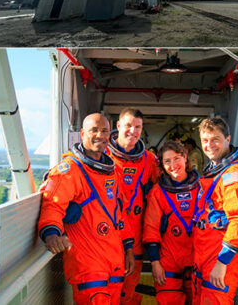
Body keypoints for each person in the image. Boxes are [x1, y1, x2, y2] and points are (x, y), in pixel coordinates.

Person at [38, 113, 136, 304]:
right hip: (88, 264)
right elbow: (53, 205)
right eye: (94, 130)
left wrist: (129, 249)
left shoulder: (113, 171)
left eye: (104, 131)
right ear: (82, 133)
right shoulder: (70, 170)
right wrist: (50, 234)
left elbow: (119, 214)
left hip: (115, 261)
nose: (100, 135)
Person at [192, 117, 238, 305]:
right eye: (205, 140)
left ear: (227, 139)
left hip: (220, 260)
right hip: (207, 256)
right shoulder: (217, 171)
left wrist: (222, 262)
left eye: (215, 139)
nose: (209, 145)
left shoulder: (233, 174)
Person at [106, 108, 160, 305]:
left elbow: (165, 191)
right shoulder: (101, 156)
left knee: (129, 292)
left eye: (138, 127)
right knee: (106, 292)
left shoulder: (149, 161)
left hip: (135, 237)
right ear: (118, 126)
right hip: (106, 237)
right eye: (128, 125)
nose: (133, 131)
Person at [143, 140, 201, 304]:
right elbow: (151, 229)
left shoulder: (202, 187)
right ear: (162, 165)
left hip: (197, 259)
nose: (173, 165)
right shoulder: (158, 192)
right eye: (167, 161)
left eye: (176, 158)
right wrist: (155, 263)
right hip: (169, 260)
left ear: (185, 157)